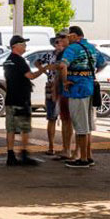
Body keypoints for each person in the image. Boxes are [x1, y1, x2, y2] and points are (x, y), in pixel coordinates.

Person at [58, 25, 106, 168]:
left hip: (77, 89)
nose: (67, 39)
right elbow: (103, 63)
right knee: (87, 125)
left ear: (74, 35)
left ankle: (83, 159)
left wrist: (65, 81)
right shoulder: (92, 48)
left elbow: (62, 66)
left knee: (80, 125)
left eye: (68, 36)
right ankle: (89, 156)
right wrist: (90, 74)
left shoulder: (72, 49)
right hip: (90, 88)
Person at [3, 35, 46, 166]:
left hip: (10, 99)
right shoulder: (20, 61)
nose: (25, 46)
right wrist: (42, 70)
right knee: (24, 128)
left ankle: (10, 155)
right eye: (23, 44)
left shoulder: (7, 61)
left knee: (10, 128)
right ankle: (24, 154)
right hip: (21, 100)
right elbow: (30, 76)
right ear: (15, 46)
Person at [38, 31, 72, 159]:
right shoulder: (50, 55)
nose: (58, 44)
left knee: (66, 119)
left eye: (61, 41)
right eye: (56, 42)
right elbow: (38, 62)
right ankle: (51, 147)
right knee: (51, 117)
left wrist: (49, 68)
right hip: (52, 86)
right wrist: (44, 71)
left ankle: (66, 148)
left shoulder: (68, 54)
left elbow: (58, 68)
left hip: (63, 88)